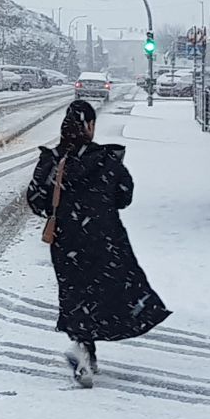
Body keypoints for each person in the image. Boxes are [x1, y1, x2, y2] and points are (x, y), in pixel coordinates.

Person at [24, 97, 170, 387]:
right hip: (106, 238)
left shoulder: (52, 161)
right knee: (109, 289)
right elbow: (124, 197)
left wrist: (61, 206)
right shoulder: (106, 160)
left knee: (74, 293)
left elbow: (36, 199)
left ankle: (83, 346)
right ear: (90, 126)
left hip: (67, 241)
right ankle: (105, 334)